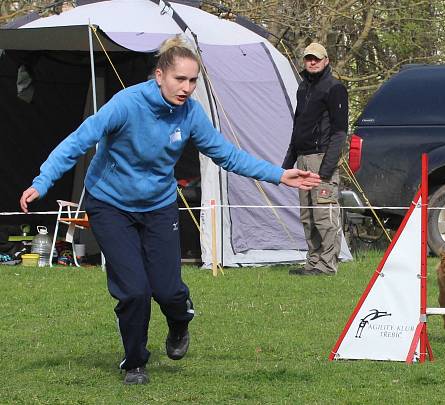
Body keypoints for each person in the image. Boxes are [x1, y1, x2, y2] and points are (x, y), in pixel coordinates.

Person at [18, 36, 320, 385]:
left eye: (193, 81)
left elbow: (227, 154)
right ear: (159, 75)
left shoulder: (191, 113)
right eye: (181, 79)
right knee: (133, 290)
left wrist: (280, 175)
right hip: (110, 205)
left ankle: (180, 321)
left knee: (168, 290)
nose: (187, 88)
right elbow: (79, 141)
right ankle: (135, 363)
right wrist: (43, 181)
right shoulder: (126, 104)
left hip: (158, 206)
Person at [282, 42, 349, 276]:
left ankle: (327, 264)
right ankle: (313, 261)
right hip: (303, 159)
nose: (312, 62)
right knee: (307, 216)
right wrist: (287, 164)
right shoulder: (303, 89)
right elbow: (297, 127)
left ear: (326, 61)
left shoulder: (335, 88)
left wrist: (327, 169)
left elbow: (340, 131)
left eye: (317, 59)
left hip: (322, 159)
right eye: (309, 58)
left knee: (324, 215)